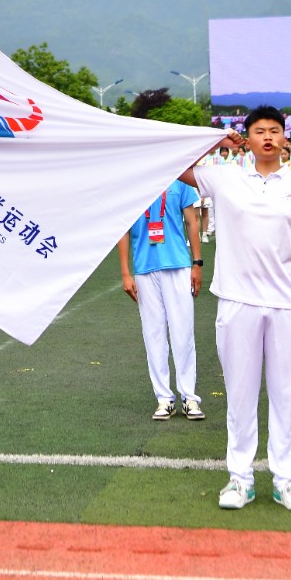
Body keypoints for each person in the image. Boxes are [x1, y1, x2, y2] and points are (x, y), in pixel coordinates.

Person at [178, 105, 291, 513]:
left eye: (275, 130)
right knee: (240, 395)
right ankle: (240, 478)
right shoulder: (225, 178)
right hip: (237, 302)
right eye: (259, 131)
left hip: (288, 305)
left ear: (285, 137)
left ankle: (286, 479)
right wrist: (215, 141)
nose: (268, 137)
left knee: (286, 394)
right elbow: (177, 167)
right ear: (248, 138)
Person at [117, 180, 204, 421]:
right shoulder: (129, 185)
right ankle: (164, 398)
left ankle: (189, 397)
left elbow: (192, 221)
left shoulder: (180, 179)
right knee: (153, 334)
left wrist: (197, 263)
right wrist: (125, 272)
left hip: (178, 265)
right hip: (145, 268)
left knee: (183, 332)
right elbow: (123, 228)